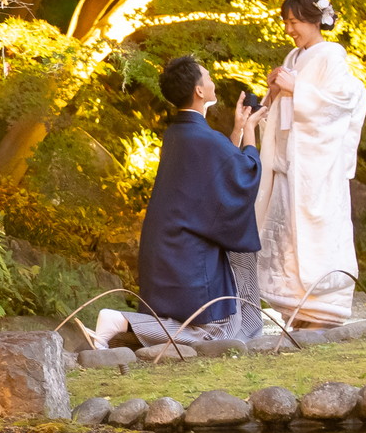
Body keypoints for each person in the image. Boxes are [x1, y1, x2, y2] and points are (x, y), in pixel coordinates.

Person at [88, 54, 265, 347]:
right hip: (187, 253)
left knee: (217, 328)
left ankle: (128, 328)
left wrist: (237, 128)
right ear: (198, 91)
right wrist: (249, 132)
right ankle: (121, 321)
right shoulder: (201, 138)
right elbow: (243, 174)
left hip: (170, 248)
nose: (212, 82)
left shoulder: (180, 134)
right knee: (216, 332)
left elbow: (220, 171)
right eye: (207, 78)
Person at [256, 0, 366, 327]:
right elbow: (280, 108)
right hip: (289, 164)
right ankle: (295, 309)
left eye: (294, 22)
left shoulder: (331, 55)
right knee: (286, 235)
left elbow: (340, 105)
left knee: (314, 233)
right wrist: (275, 91)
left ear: (314, 19)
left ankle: (322, 310)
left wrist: (297, 90)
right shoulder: (293, 57)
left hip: (314, 168)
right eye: (286, 22)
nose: (289, 29)